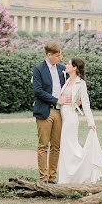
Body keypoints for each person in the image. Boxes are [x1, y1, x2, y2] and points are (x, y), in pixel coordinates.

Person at [56, 57, 102, 184]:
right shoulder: (66, 80)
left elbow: (85, 104)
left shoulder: (81, 83)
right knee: (66, 147)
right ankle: (67, 178)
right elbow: (61, 99)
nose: (66, 65)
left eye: (68, 64)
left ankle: (85, 168)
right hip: (62, 116)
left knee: (70, 146)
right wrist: (59, 102)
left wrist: (91, 123)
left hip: (71, 118)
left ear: (74, 67)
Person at [32, 42, 66, 183]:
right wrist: (56, 100)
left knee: (56, 146)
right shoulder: (38, 69)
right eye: (57, 55)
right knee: (43, 146)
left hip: (60, 113)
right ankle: (43, 178)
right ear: (49, 55)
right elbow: (38, 91)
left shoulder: (62, 69)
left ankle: (52, 177)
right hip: (45, 112)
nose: (60, 57)